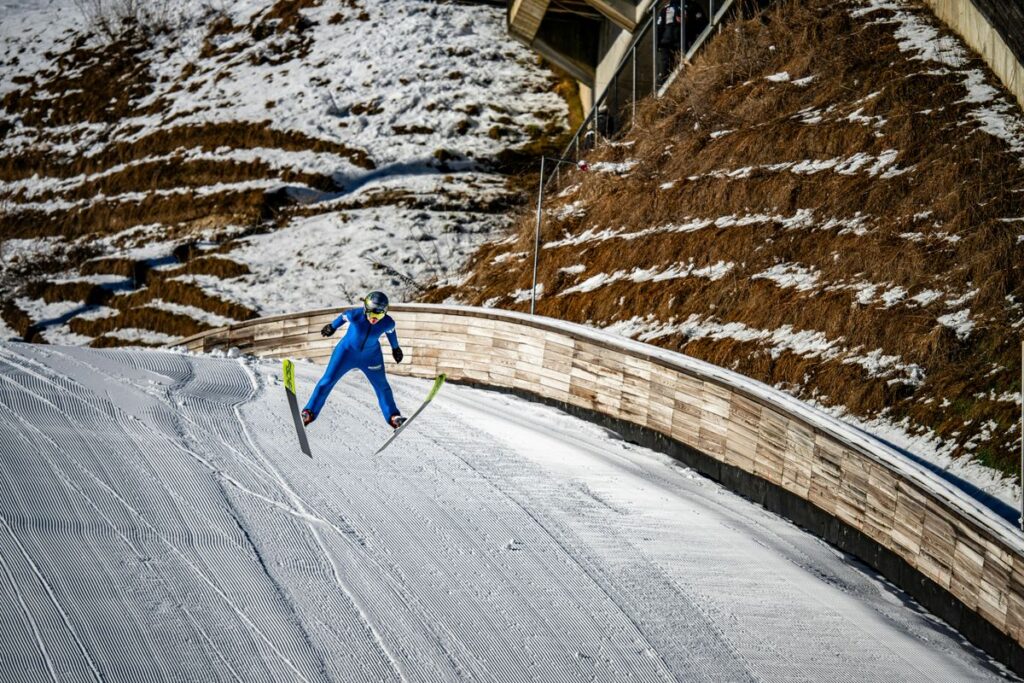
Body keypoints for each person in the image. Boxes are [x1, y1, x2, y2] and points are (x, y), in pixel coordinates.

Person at [301, 291, 407, 429]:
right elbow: (343, 317)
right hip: (346, 353)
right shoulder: (355, 315)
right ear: (365, 309)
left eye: (379, 314)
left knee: (382, 386)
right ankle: (309, 412)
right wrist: (332, 327)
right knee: (327, 381)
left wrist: (396, 348)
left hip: (371, 356)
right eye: (371, 313)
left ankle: (393, 417)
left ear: (385, 312)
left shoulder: (387, 322)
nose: (374, 318)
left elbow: (391, 332)